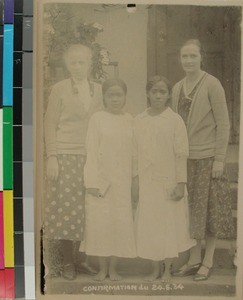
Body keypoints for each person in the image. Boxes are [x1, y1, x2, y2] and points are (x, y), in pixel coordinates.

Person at [172, 39, 234, 281]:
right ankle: (194, 258)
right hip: (186, 159)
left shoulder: (212, 84)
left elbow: (223, 123)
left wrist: (220, 159)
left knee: (210, 210)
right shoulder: (177, 88)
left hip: (208, 158)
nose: (188, 61)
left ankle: (208, 261)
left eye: (193, 56)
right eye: (184, 56)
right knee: (190, 211)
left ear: (201, 58)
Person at [44, 44, 103, 280]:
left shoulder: (99, 90)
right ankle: (68, 262)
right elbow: (49, 124)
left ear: (90, 64)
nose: (78, 67)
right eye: (73, 63)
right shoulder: (59, 89)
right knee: (69, 208)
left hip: (93, 156)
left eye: (82, 62)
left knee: (90, 208)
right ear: (68, 65)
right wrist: (52, 156)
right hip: (67, 155)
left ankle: (85, 259)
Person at [134, 76, 196, 282]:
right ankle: (154, 268)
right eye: (154, 91)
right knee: (150, 224)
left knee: (169, 224)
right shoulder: (139, 120)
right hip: (147, 181)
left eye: (162, 92)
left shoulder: (174, 120)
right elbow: (134, 153)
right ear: (147, 94)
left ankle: (168, 268)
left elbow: (181, 153)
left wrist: (181, 183)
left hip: (169, 181)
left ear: (168, 95)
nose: (158, 95)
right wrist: (135, 180)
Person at [81, 78, 136, 281]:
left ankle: (114, 268)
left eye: (119, 95)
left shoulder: (130, 120)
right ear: (104, 97)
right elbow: (91, 151)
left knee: (119, 223)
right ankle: (102, 268)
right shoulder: (97, 119)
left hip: (122, 181)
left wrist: (134, 181)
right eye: (111, 95)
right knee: (100, 224)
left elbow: (134, 154)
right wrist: (92, 182)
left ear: (124, 97)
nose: (115, 99)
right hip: (101, 181)